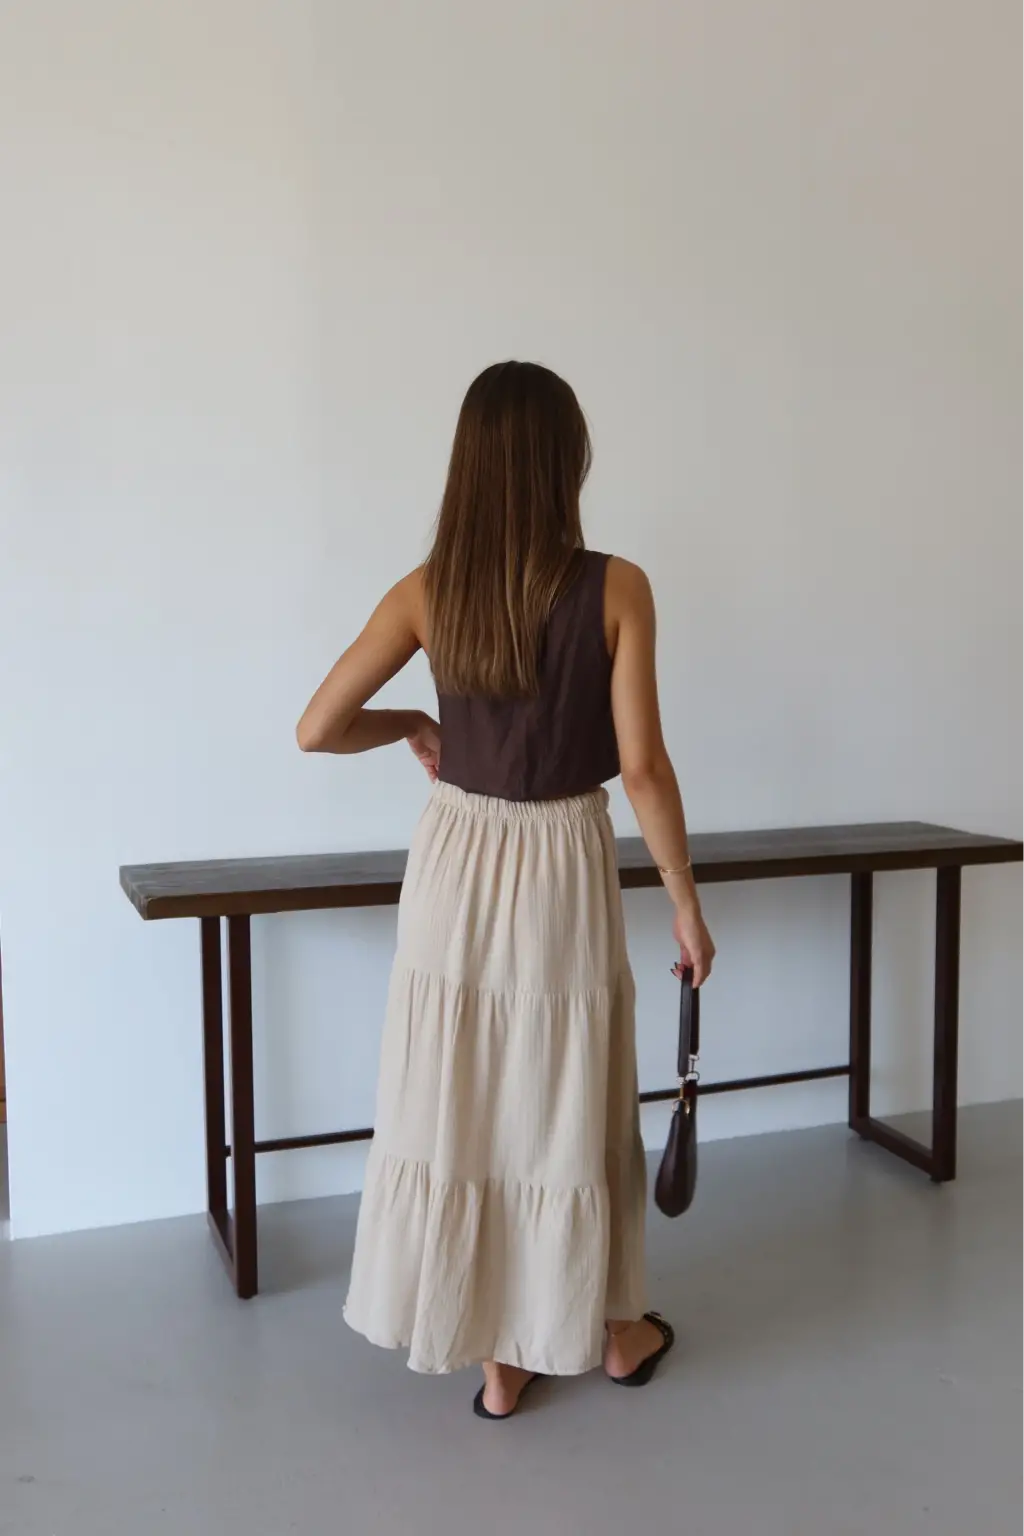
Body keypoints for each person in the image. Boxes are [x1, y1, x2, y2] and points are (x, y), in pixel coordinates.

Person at [296, 361, 715, 1419]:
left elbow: (317, 728)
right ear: (567, 460)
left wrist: (410, 722)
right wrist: (683, 897)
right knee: (560, 1086)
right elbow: (643, 768)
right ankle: (606, 1331)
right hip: (561, 857)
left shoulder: (427, 589)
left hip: (456, 859)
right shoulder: (617, 587)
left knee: (466, 1090)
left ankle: (498, 1356)